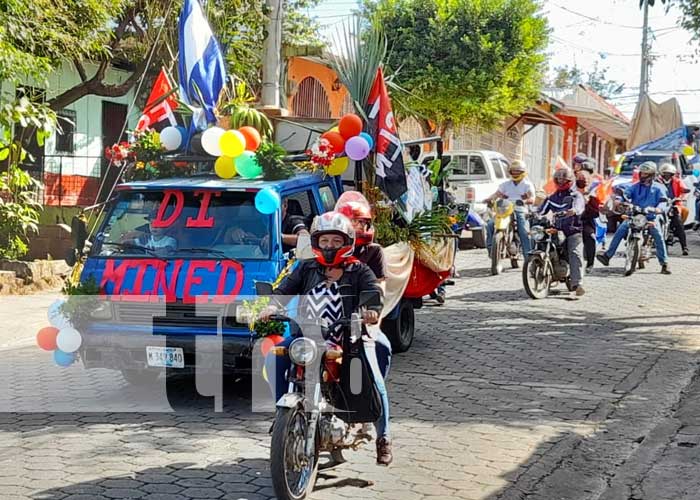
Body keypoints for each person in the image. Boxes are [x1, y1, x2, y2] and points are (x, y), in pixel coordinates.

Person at [261, 211, 393, 466]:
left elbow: (374, 291)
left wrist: (371, 310)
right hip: (307, 338)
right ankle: (282, 416)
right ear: (316, 242)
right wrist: (272, 306)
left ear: (347, 242)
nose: (329, 246)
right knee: (273, 358)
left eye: (335, 241)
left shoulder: (359, 270)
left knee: (374, 379)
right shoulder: (307, 267)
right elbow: (284, 289)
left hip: (347, 339)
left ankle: (383, 437)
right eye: (324, 241)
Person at [596, 161, 671, 274]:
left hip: (650, 217)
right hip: (635, 215)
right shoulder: (634, 187)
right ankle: (607, 255)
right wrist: (619, 201)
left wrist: (658, 209)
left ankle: (664, 263)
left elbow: (663, 202)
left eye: (646, 174)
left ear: (651, 175)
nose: (642, 176)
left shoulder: (659, 188)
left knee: (657, 234)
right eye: (642, 173)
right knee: (621, 229)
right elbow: (625, 195)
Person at [539, 167, 586, 296]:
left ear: (570, 181)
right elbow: (541, 210)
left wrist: (574, 211)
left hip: (572, 230)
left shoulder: (576, 195)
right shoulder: (552, 197)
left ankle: (577, 284)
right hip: (556, 229)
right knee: (539, 241)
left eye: (563, 179)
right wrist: (532, 213)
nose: (560, 181)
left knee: (574, 252)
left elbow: (579, 206)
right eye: (558, 179)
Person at [484, 160, 535, 257]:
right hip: (504, 209)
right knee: (490, 225)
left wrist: (524, 201)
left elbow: (532, 198)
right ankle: (491, 249)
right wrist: (489, 199)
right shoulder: (505, 184)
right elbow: (496, 194)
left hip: (519, 208)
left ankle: (528, 256)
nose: (515, 173)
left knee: (523, 230)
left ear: (523, 172)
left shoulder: (527, 185)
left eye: (518, 171)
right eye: (513, 171)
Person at [657, 163, 689, 255]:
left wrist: (681, 197)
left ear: (672, 174)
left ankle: (684, 247)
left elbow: (684, 190)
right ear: (661, 174)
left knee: (678, 223)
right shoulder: (657, 181)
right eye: (665, 173)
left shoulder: (677, 181)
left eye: (669, 174)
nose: (667, 176)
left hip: (673, 204)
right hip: (660, 205)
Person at [576, 170, 600, 273]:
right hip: (571, 222)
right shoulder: (571, 192)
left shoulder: (592, 195)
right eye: (580, 179)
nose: (582, 181)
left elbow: (596, 213)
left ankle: (590, 263)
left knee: (590, 237)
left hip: (585, 222)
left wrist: (588, 204)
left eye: (584, 179)